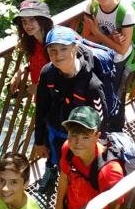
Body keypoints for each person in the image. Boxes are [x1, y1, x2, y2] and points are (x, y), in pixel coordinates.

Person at [32, 26, 109, 191]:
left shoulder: (91, 85)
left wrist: (95, 145)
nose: (58, 55)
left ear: (75, 47)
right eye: (53, 50)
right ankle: (55, 176)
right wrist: (39, 141)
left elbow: (102, 119)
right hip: (56, 132)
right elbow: (41, 109)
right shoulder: (47, 73)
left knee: (78, 174)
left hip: (81, 140)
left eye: (64, 49)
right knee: (62, 166)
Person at [53, 107, 123, 209]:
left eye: (85, 137)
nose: (77, 143)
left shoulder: (109, 171)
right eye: (73, 135)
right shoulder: (68, 149)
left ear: (97, 136)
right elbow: (64, 178)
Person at [81, 0, 135, 131]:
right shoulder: (91, 7)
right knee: (100, 94)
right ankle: (101, 128)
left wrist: (97, 33)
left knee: (116, 96)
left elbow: (122, 49)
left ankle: (117, 129)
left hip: (118, 61)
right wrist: (110, 39)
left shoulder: (126, 12)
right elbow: (85, 38)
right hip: (98, 57)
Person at [9, 0, 53, 96]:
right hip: (41, 98)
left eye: (32, 20)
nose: (27, 25)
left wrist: (41, 88)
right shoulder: (32, 40)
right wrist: (20, 72)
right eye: (24, 21)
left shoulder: (55, 42)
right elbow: (38, 62)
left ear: (42, 20)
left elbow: (66, 74)